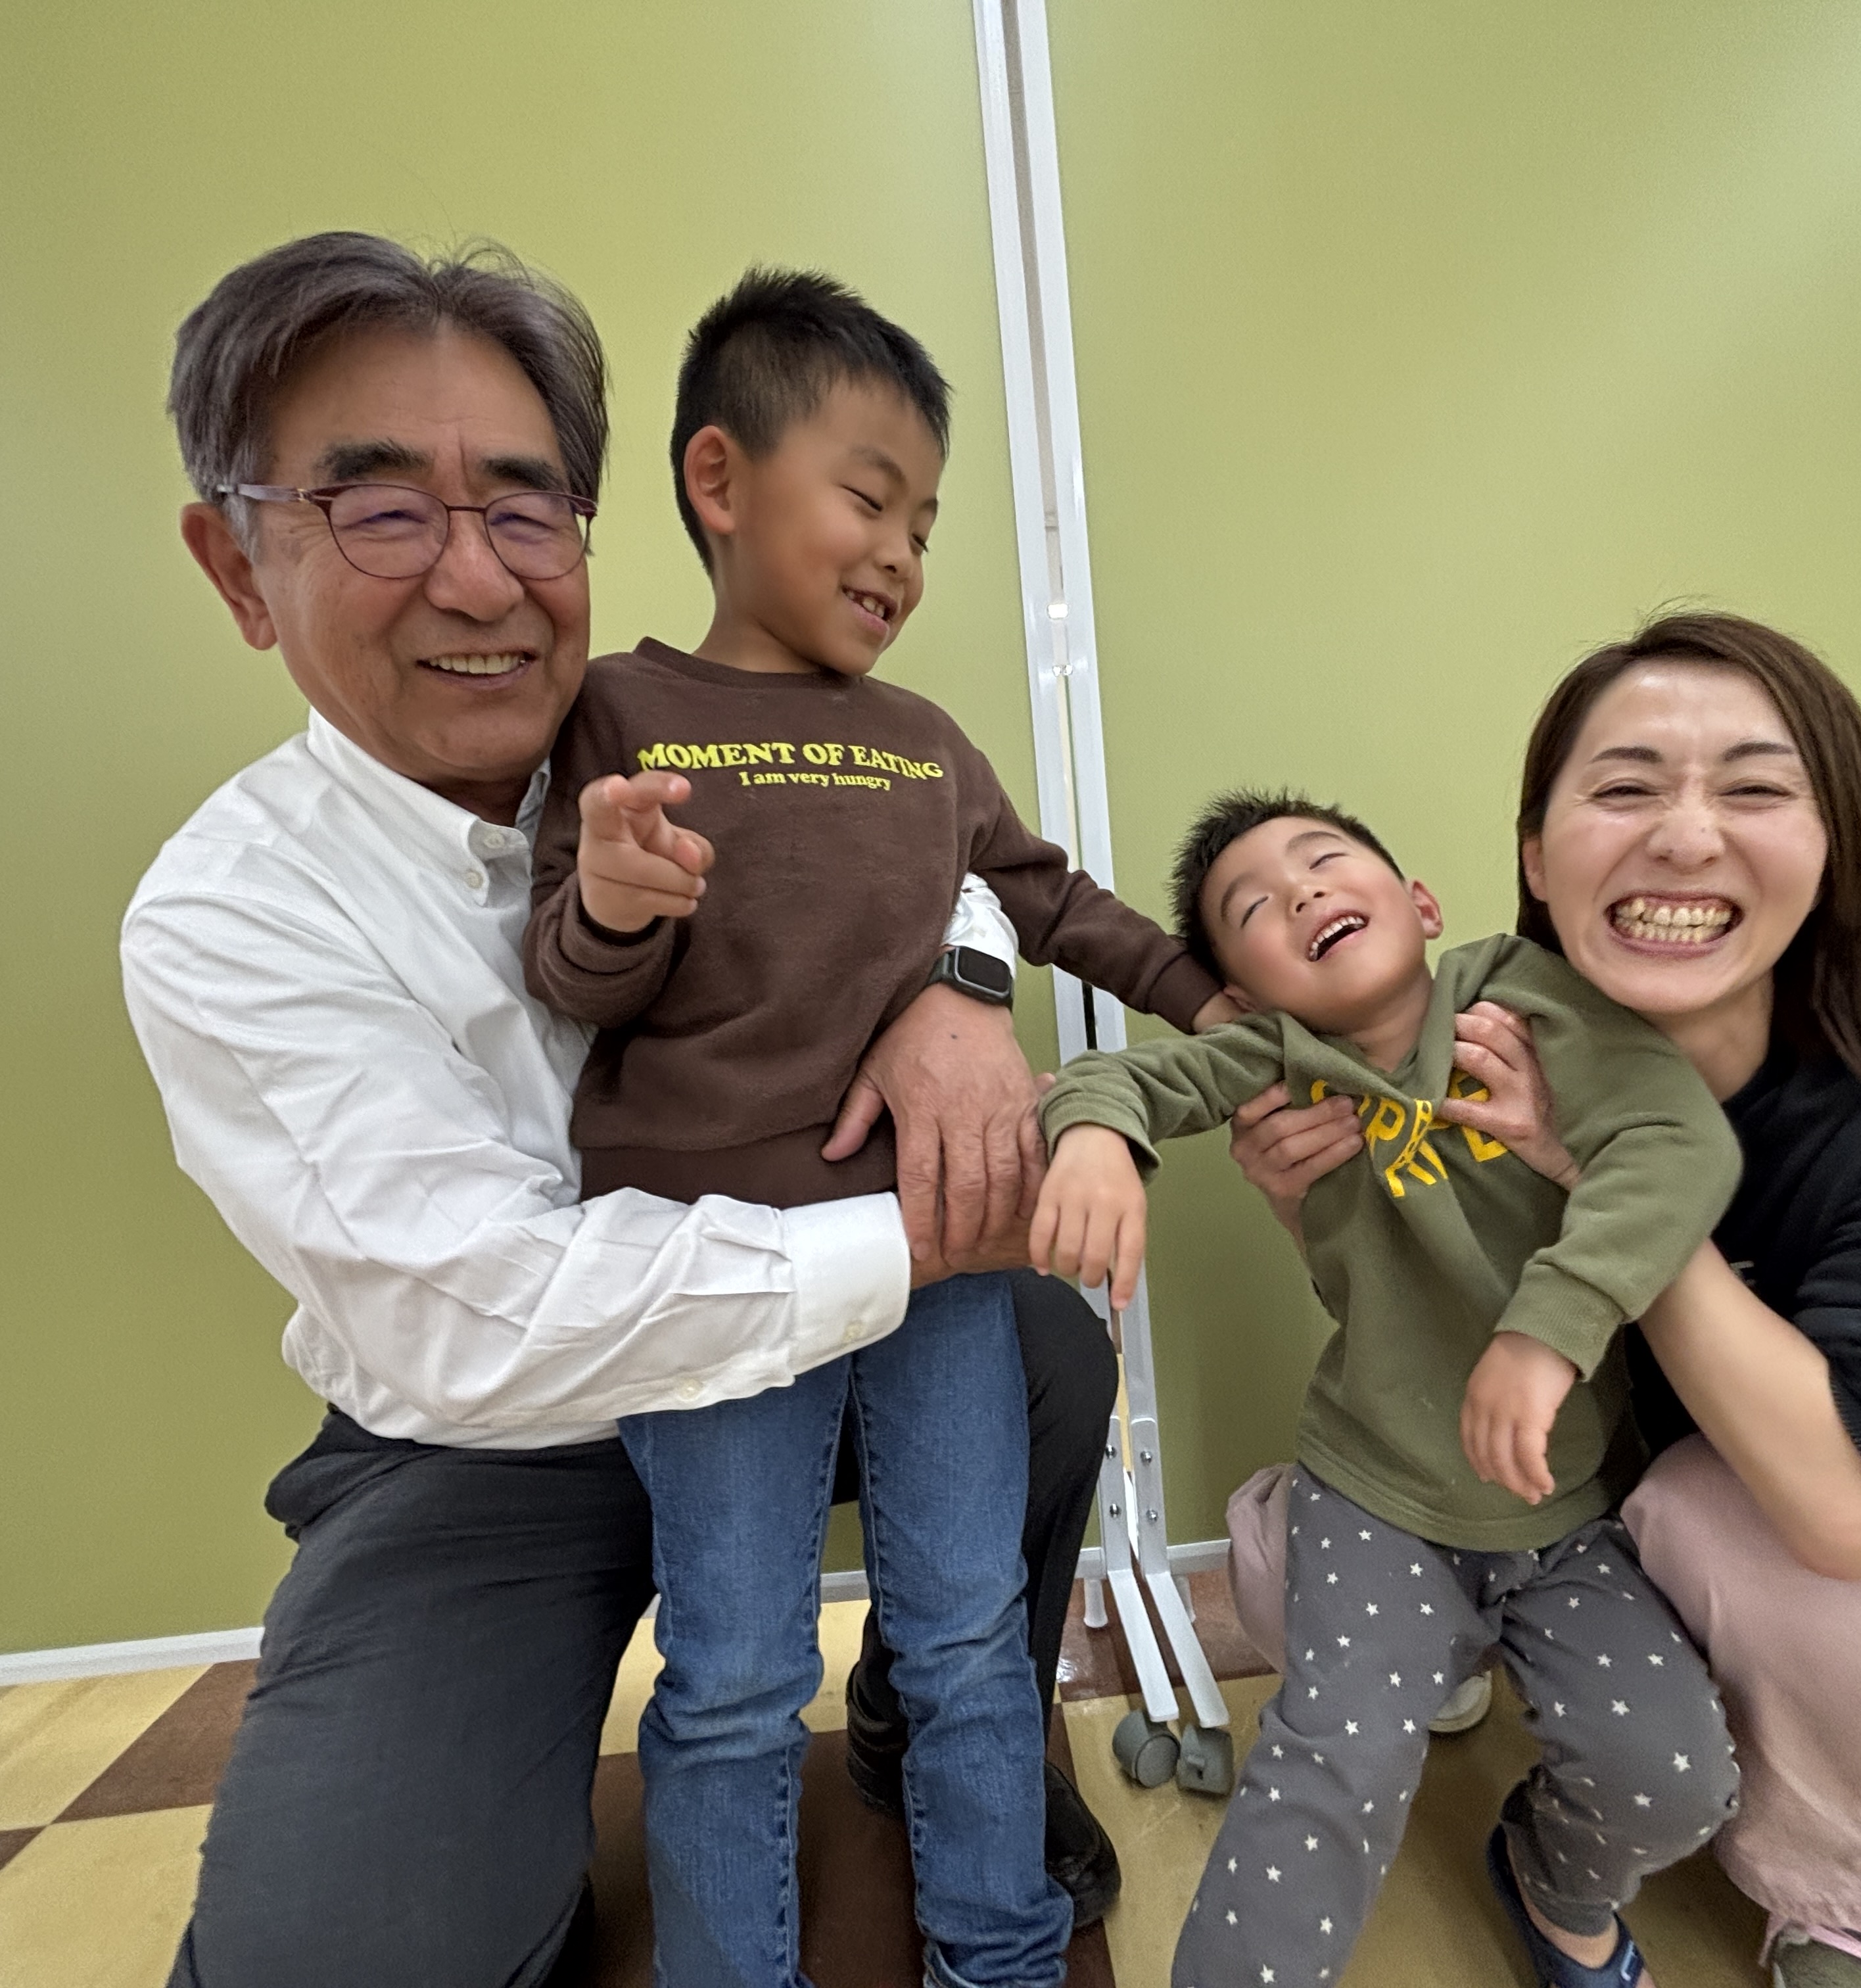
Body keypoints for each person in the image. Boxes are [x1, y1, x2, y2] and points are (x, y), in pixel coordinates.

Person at [120, 231, 1118, 1988]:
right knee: (344, 1961)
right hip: (480, 1437)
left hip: (790, 1339)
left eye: (524, 509)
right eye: (380, 510)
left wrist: (963, 991)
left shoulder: (697, 732)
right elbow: (486, 1313)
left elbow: (936, 836)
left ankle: (931, 1707)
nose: (476, 580)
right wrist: (943, 1222)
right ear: (238, 566)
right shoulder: (235, 911)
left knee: (1041, 1351)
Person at [522, 268, 1229, 1988]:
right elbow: (574, 977)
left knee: (972, 1638)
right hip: (716, 1281)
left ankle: (999, 1952)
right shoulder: (621, 713)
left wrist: (1223, 1007)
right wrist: (611, 902)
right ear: (719, 480)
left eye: (926, 522)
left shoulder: (925, 744)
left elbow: (1062, 905)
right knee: (736, 1676)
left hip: (941, 1269)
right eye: (869, 498)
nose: (904, 553)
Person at [1231, 611, 1861, 1988]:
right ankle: (1508, 1678)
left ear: (1840, 843)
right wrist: (1310, 1207)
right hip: (1571, 1502)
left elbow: (1856, 1507)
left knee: (1715, 1524)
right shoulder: (1485, 1039)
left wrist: (1598, 1183)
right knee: (1318, 1547)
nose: (1685, 839)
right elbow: (1426, 1310)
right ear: (1536, 853)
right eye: (1626, 788)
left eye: (1753, 789)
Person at [1031, 788, 1743, 1988]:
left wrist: (1551, 1328)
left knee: (1673, 1778)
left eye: (1324, 861)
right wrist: (1095, 1134)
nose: (1301, 891)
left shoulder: (1518, 991)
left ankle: (1551, 1881)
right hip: (1379, 1496)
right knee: (1333, 1771)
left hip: (1567, 1505)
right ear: (1246, 995)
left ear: (1421, 903)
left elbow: (1680, 1143)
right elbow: (1114, 1081)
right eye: (1254, 906)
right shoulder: (1278, 1059)